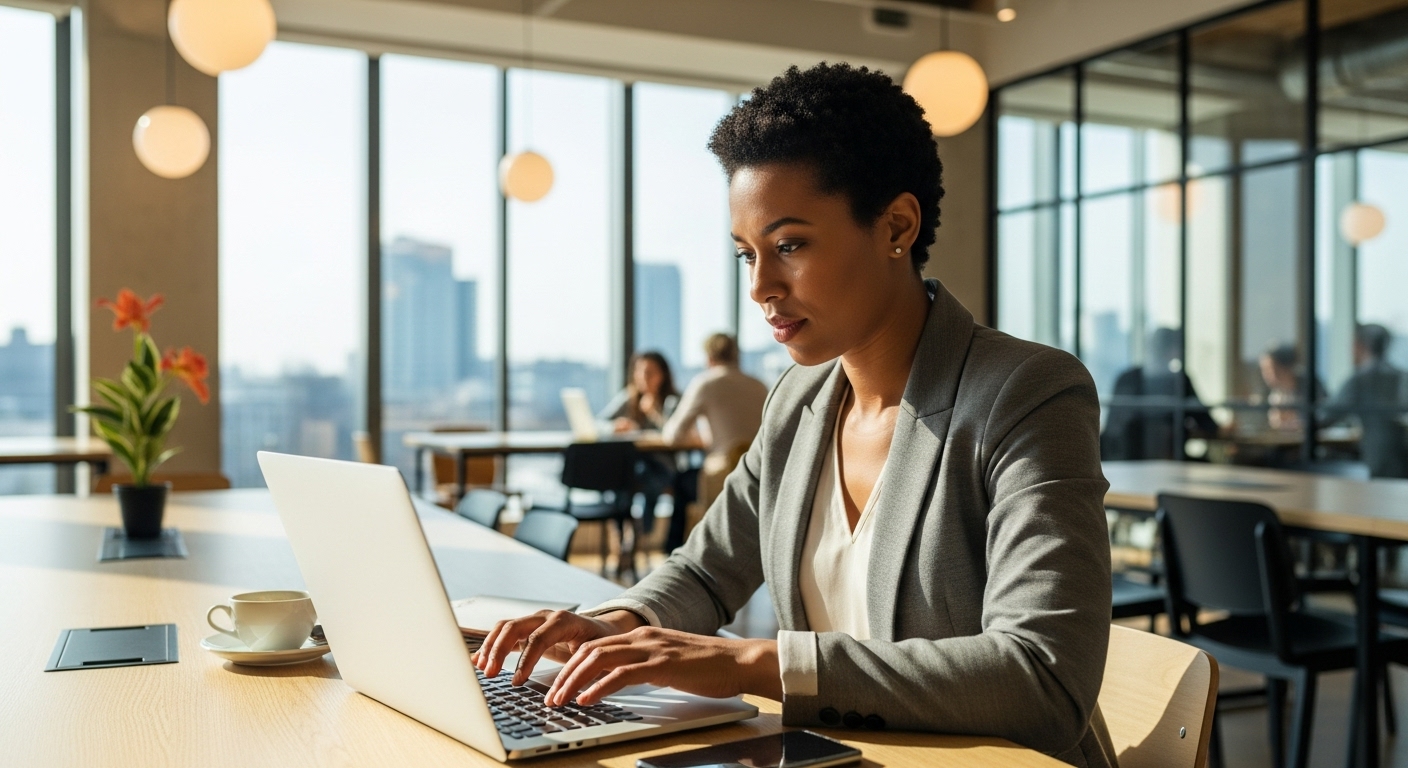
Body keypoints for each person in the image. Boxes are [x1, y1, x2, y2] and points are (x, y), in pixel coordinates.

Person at [476, 63, 1114, 767]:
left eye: (789, 245)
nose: (759, 287)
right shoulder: (798, 400)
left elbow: (1044, 677)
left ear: (897, 226)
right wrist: (616, 626)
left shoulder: (1026, 392)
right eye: (747, 254)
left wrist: (753, 664)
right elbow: (706, 572)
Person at [657, 333, 769, 551]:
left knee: (681, 481)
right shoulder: (759, 385)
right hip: (760, 474)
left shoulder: (706, 383)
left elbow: (672, 435)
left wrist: (703, 436)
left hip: (723, 474)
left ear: (708, 358)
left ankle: (674, 554)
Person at [598, 351, 680, 568]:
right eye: (639, 372)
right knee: (619, 484)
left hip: (662, 467)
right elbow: (599, 423)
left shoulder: (672, 401)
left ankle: (637, 537)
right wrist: (615, 426)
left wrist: (654, 413)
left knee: (647, 478)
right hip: (632, 469)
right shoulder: (628, 397)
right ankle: (624, 539)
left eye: (650, 372)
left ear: (662, 375)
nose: (644, 377)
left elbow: (677, 435)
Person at [1099, 327, 1219, 461]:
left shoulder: (1126, 378)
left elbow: (1112, 427)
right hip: (1165, 464)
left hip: (1120, 462)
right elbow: (1207, 423)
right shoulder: (1178, 382)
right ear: (1173, 350)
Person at [1323, 324, 1408, 478]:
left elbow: (1326, 416)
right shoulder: (1402, 375)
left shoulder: (1361, 380)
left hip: (1379, 458)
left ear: (1358, 345)